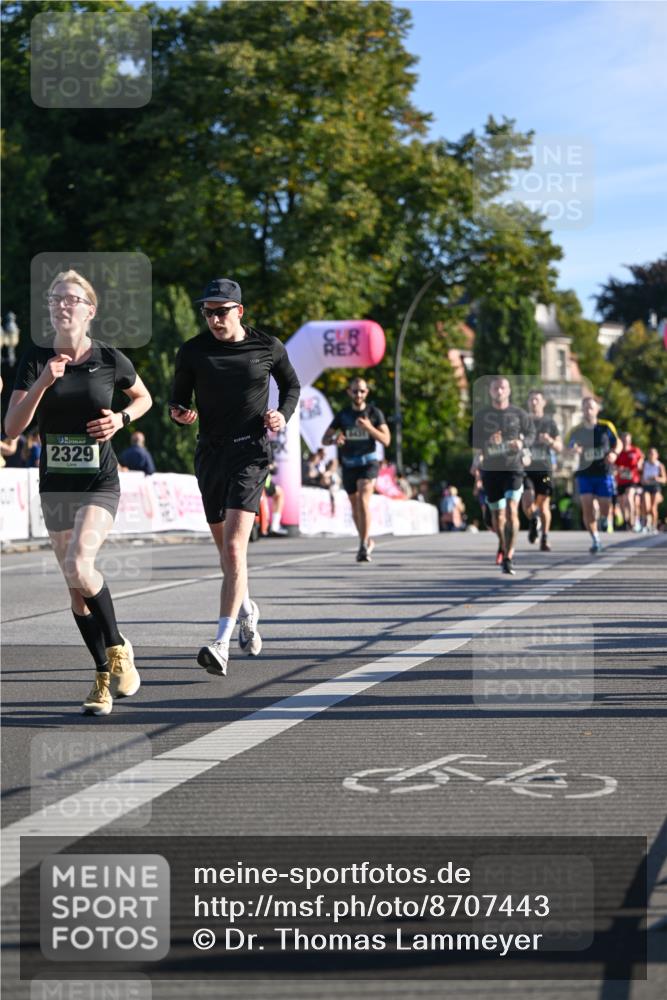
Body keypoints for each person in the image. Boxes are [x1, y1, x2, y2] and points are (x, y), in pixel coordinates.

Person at [5, 269, 152, 715]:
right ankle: (103, 676)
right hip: (55, 485)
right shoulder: (34, 358)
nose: (61, 305)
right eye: (54, 299)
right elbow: (10, 428)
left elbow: (143, 398)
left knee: (79, 564)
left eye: (71, 298)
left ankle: (117, 648)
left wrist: (121, 420)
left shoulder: (110, 358)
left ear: (90, 309)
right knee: (75, 588)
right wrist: (43, 383)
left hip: (98, 480)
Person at [169, 277, 300, 677]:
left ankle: (221, 643)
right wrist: (179, 413)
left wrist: (282, 414)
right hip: (210, 453)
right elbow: (178, 399)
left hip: (250, 453)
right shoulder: (192, 351)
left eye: (221, 312)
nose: (213, 319)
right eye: (207, 312)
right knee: (227, 553)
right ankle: (247, 609)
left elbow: (291, 386)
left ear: (239, 311)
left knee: (233, 551)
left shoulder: (267, 346)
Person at [322, 376, 391, 562]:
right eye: (355, 391)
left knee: (363, 498)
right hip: (349, 464)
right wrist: (334, 439)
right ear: (349, 392)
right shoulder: (343, 415)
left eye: (362, 390)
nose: (358, 394)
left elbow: (386, 440)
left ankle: (362, 546)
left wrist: (369, 428)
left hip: (368, 463)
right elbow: (324, 439)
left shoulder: (374, 413)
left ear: (367, 392)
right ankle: (367, 540)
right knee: (355, 507)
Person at [472, 375, 534, 575]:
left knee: (511, 510)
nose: (499, 391)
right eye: (495, 388)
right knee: (497, 515)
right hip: (491, 470)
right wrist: (488, 441)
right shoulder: (482, 416)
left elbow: (531, 434)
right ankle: (503, 543)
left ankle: (509, 557)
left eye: (503, 388)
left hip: (513, 468)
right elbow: (472, 440)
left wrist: (522, 444)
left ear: (509, 391)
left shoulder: (519, 414)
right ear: (490, 391)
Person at [567, 397, 619, 554]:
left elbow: (618, 443)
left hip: (603, 472)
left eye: (591, 407)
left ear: (597, 410)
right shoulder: (576, 431)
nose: (588, 411)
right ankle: (596, 539)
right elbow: (569, 445)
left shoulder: (606, 427)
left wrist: (615, 453)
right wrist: (573, 449)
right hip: (585, 473)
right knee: (587, 507)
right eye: (585, 408)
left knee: (605, 506)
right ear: (582, 410)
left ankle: (604, 518)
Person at [521, 389, 562, 552]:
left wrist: (550, 441)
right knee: (527, 501)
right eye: (531, 400)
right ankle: (533, 519)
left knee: (544, 504)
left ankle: (544, 537)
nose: (534, 402)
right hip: (526, 470)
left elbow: (559, 447)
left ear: (543, 402)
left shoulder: (549, 423)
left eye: (537, 399)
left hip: (545, 471)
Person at [614, 432, 644, 532]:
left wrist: (639, 464)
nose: (625, 441)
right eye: (623, 439)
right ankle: (625, 521)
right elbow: (614, 464)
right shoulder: (618, 452)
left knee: (629, 496)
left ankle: (632, 521)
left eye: (627, 439)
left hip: (632, 479)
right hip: (621, 480)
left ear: (630, 440)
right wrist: (619, 469)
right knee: (622, 502)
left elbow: (641, 458)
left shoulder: (635, 450)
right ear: (621, 440)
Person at [640, 447, 666, 533]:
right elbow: (641, 478)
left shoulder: (659, 465)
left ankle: (654, 526)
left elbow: (664, 479)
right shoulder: (645, 464)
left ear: (656, 455)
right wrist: (644, 481)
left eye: (653, 454)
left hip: (655, 487)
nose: (651, 455)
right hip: (647, 487)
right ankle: (645, 525)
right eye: (650, 453)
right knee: (646, 506)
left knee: (653, 507)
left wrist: (656, 478)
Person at [264, 460, 287, 535]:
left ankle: (274, 525)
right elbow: (273, 468)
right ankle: (274, 526)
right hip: (261, 482)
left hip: (264, 483)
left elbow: (274, 470)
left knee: (279, 493)